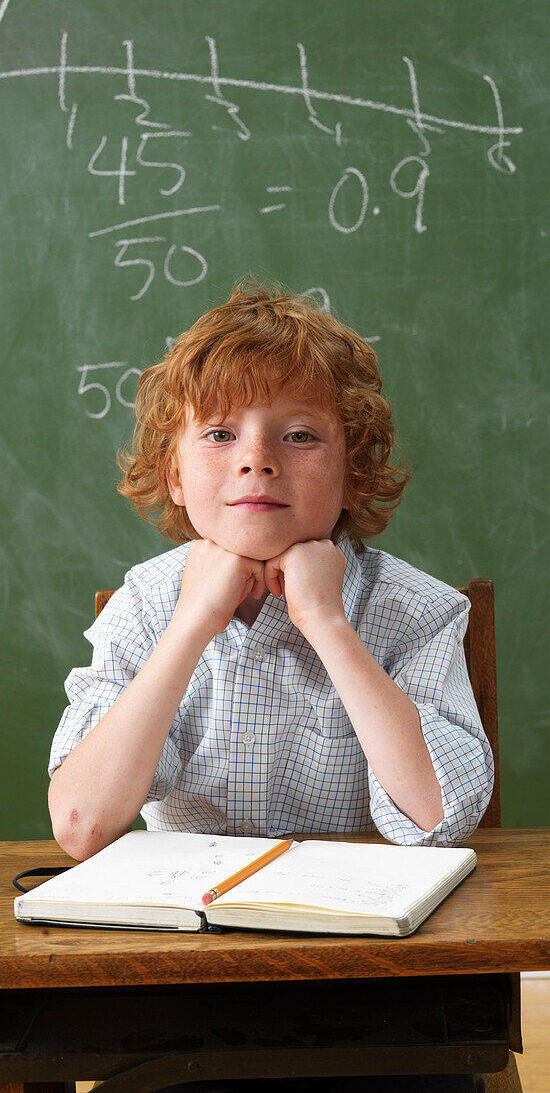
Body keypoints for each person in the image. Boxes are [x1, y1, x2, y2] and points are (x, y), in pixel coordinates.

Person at [48, 281, 493, 871]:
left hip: (365, 937)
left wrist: (328, 623)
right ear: (174, 476)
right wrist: (191, 625)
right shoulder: (145, 608)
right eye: (219, 434)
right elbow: (81, 826)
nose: (256, 458)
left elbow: (441, 817)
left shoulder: (418, 613)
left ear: (352, 474)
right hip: (195, 937)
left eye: (300, 435)